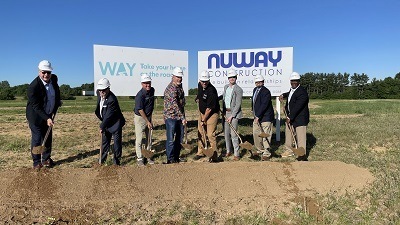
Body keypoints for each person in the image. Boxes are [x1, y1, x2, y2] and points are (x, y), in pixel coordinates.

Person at [26, 60, 61, 169]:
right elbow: (36, 107)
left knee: (48, 137)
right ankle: (36, 162)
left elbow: (56, 91)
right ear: (39, 71)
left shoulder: (54, 78)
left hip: (49, 113)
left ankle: (46, 159)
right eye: (43, 72)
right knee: (37, 139)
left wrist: (58, 101)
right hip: (35, 117)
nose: (46, 75)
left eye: (48, 72)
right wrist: (47, 118)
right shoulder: (33, 87)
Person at [95, 78, 126, 165]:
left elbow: (108, 116)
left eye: (103, 90)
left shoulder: (112, 100)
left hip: (115, 124)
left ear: (108, 88)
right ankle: (102, 160)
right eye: (100, 90)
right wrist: (103, 124)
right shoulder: (99, 93)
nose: (101, 92)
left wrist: (102, 126)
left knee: (116, 144)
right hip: (106, 124)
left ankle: (116, 161)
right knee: (105, 143)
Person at [279, 72, 309, 159]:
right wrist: (283, 95)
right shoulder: (292, 90)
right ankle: (289, 150)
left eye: (296, 81)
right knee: (289, 135)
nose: (294, 82)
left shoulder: (302, 92)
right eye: (292, 81)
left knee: (301, 138)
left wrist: (290, 117)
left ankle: (301, 154)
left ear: (299, 81)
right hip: (291, 117)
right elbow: (290, 94)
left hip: (300, 118)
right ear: (290, 81)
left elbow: (297, 107)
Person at [194, 71, 220, 162]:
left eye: (206, 81)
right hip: (202, 112)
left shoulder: (212, 91)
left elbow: (209, 109)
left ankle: (214, 155)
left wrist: (203, 120)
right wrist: (198, 97)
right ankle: (200, 152)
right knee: (200, 133)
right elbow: (200, 93)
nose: (204, 83)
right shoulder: (200, 85)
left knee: (210, 134)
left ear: (209, 80)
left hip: (212, 114)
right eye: (202, 81)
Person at [163, 67, 187, 164]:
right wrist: (183, 117)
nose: (179, 79)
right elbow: (175, 105)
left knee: (179, 138)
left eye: (180, 77)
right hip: (171, 117)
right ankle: (170, 159)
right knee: (171, 139)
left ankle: (176, 157)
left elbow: (181, 103)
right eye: (177, 77)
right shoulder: (171, 89)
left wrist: (182, 115)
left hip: (178, 116)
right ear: (173, 76)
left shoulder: (179, 86)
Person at [221, 69, 243, 160]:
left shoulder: (238, 89)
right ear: (228, 78)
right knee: (226, 133)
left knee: (233, 134)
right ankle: (228, 151)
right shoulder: (226, 87)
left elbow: (238, 104)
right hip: (226, 112)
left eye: (233, 77)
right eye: (230, 77)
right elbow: (223, 98)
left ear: (236, 78)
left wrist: (232, 116)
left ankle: (236, 154)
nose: (231, 79)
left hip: (234, 113)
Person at [252, 74, 275, 161]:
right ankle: (259, 149)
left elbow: (264, 105)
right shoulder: (255, 90)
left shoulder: (266, 91)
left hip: (266, 117)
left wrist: (258, 115)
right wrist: (254, 113)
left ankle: (267, 153)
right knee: (256, 133)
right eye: (257, 82)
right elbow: (254, 103)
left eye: (260, 82)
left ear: (263, 82)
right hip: (257, 116)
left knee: (266, 135)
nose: (258, 83)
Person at [134, 74, 155, 166]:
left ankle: (148, 156)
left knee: (149, 137)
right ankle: (139, 158)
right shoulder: (140, 95)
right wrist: (147, 121)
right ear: (142, 84)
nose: (148, 85)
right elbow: (140, 110)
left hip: (149, 117)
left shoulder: (152, 90)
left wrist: (150, 119)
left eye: (149, 83)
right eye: (146, 83)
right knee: (139, 139)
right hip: (140, 118)